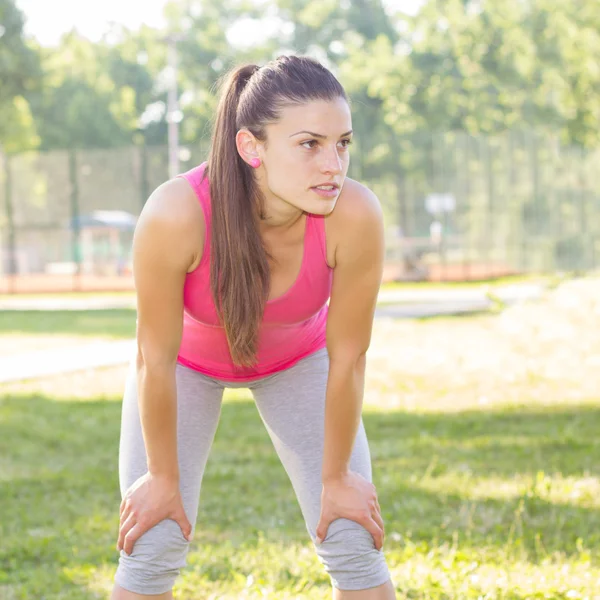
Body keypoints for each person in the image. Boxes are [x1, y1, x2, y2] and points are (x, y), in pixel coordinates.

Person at [111, 55, 395, 600]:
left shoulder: (355, 214)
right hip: (184, 368)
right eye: (310, 144)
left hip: (298, 362)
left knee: (354, 534)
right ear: (251, 148)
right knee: (153, 540)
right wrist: (162, 480)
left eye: (343, 143)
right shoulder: (176, 212)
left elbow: (350, 357)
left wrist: (337, 479)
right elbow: (154, 357)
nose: (333, 164)